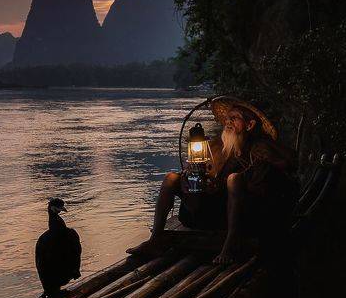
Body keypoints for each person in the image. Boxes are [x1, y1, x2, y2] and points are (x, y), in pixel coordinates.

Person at [127, 99, 297, 264]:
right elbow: (199, 172)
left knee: (234, 179)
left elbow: (287, 164)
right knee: (171, 178)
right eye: (227, 118)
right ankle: (155, 239)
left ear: (250, 125)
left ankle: (230, 244)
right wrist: (192, 178)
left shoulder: (260, 147)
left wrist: (260, 166)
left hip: (241, 215)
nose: (228, 122)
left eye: (234, 118)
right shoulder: (215, 146)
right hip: (208, 210)